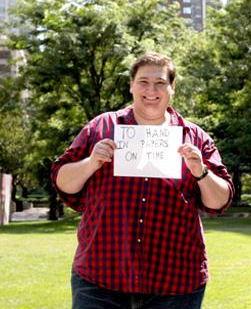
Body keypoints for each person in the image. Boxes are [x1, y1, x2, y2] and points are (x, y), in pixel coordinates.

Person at [51, 52, 234, 309]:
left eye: (160, 83)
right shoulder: (101, 127)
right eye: (143, 82)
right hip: (100, 278)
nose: (151, 90)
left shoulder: (194, 137)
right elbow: (63, 182)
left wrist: (200, 172)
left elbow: (220, 201)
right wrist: (91, 162)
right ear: (131, 85)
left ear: (172, 88)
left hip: (175, 283)